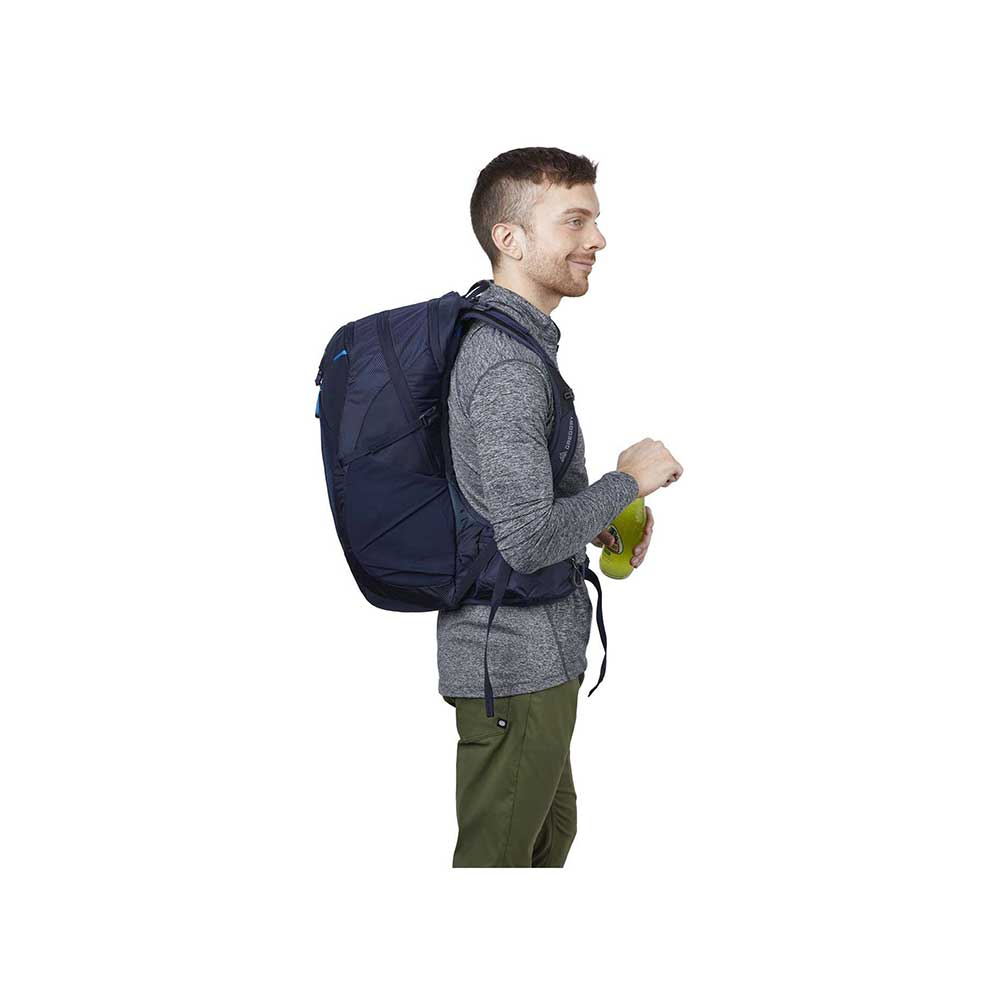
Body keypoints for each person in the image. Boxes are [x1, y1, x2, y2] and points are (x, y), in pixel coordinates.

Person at [439, 147, 683, 867]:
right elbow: (525, 539)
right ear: (508, 239)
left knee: (548, 841)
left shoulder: (512, 343)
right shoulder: (506, 362)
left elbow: (505, 506)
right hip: (513, 666)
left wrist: (597, 517)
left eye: (595, 220)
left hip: (533, 659)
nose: (597, 239)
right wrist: (627, 482)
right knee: (499, 867)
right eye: (574, 221)